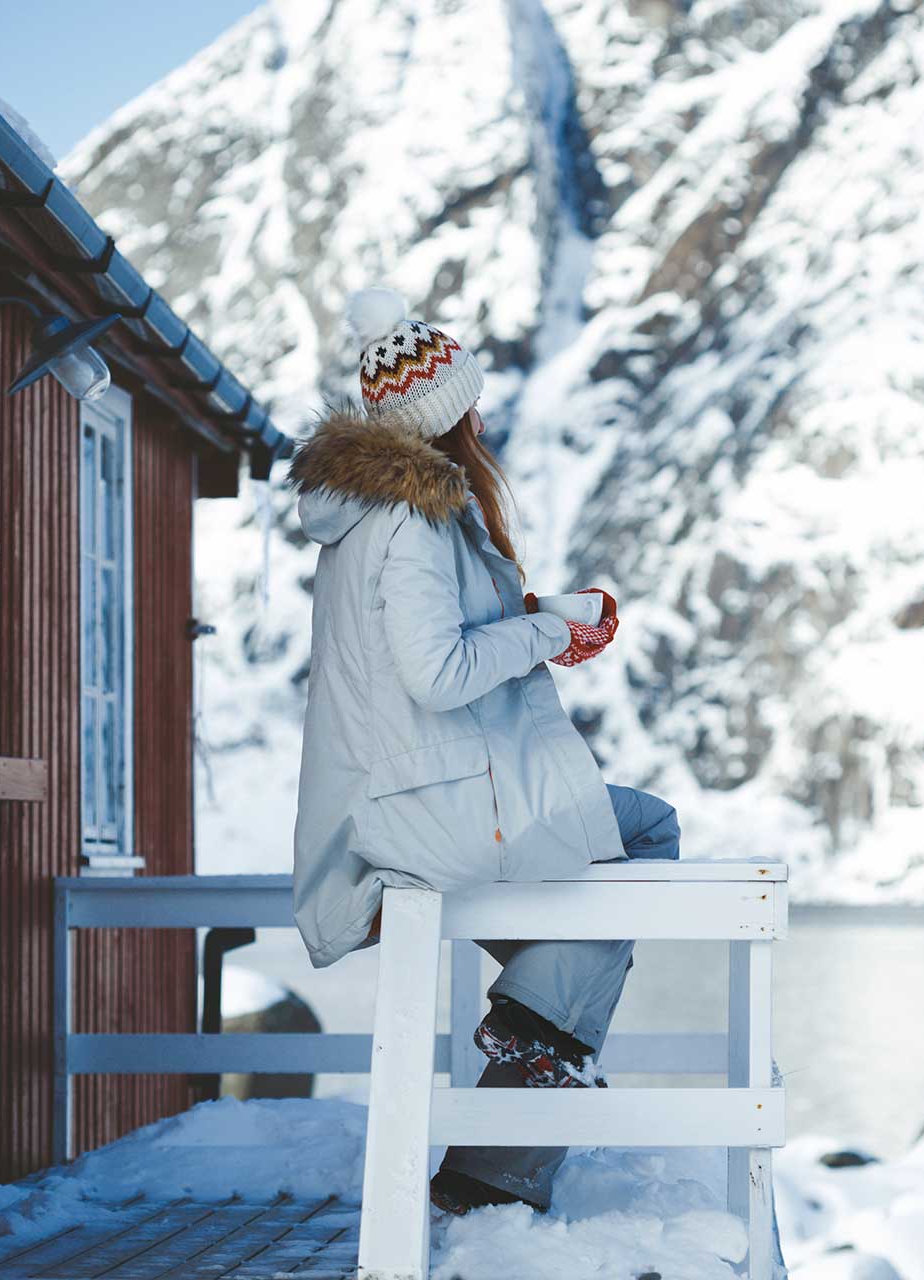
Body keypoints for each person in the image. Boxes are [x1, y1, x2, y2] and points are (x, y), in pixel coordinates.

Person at [285, 285, 682, 1216]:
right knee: (641, 837)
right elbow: (437, 673)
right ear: (447, 415)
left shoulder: (364, 515)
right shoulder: (415, 518)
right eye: (471, 402)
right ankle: (528, 1048)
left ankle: (508, 1120)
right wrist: (548, 633)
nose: (483, 418)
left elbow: (422, 649)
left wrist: (531, 615)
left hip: (411, 793)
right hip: (432, 806)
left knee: (584, 926)